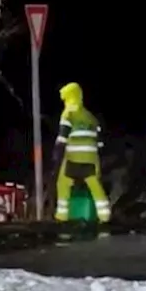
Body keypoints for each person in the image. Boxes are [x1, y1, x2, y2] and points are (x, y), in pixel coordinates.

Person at [53, 82, 111, 223]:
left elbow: (62, 139)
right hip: (91, 160)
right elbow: (100, 144)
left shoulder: (68, 114)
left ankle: (62, 216)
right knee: (95, 185)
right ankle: (105, 215)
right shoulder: (91, 118)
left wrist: (55, 159)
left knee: (63, 183)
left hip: (73, 158)